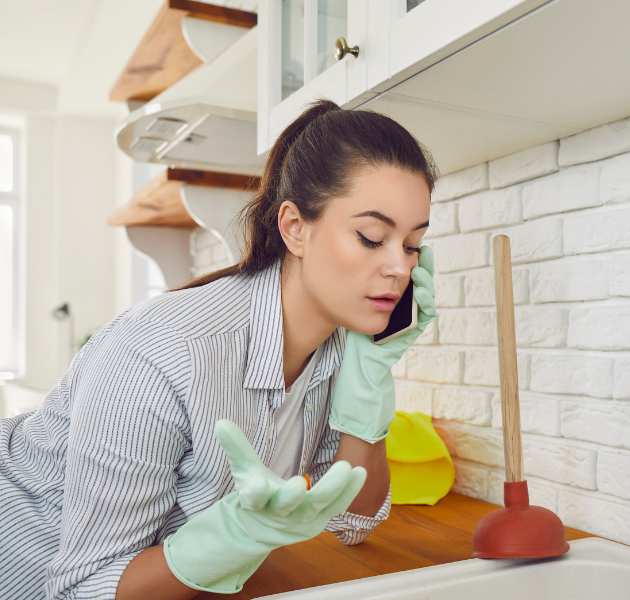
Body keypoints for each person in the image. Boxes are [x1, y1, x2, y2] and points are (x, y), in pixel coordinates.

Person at [0, 99, 438, 599]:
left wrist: (369, 384)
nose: (399, 268)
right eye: (371, 237)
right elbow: (82, 589)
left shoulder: (343, 347)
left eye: (411, 245)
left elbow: (352, 522)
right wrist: (232, 539)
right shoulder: (162, 352)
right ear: (295, 227)